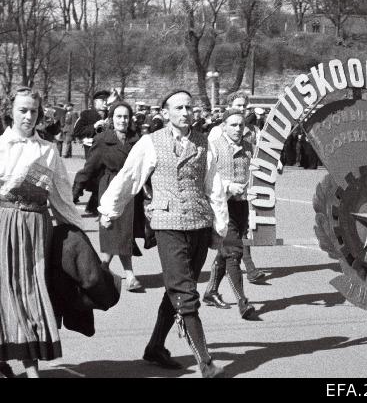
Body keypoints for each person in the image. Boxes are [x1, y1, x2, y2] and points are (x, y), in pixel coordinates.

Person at [98, 90, 229, 378]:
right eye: (179, 108)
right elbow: (129, 177)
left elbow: (214, 186)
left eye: (189, 107)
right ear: (166, 112)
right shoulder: (150, 142)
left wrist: (220, 228)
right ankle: (206, 364)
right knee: (185, 291)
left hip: (198, 225)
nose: (185, 112)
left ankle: (155, 347)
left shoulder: (203, 143)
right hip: (168, 224)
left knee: (177, 289)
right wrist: (109, 210)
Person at [0, 88, 85, 378]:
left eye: (33, 111)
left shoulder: (47, 151)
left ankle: (28, 364)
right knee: (6, 293)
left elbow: (62, 197)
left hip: (37, 228)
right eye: (23, 110)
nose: (28, 116)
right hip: (3, 224)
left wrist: (79, 233)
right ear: (10, 110)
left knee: (31, 292)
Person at [74, 101, 147, 293]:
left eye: (125, 116)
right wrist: (76, 190)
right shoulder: (103, 140)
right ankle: (128, 275)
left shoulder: (137, 140)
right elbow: (89, 168)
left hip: (130, 193)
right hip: (110, 190)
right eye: (118, 116)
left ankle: (102, 270)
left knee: (121, 234)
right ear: (111, 119)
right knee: (117, 233)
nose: (122, 120)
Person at [202, 109, 258, 320]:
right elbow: (207, 179)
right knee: (234, 251)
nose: (237, 129)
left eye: (240, 125)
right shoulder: (214, 147)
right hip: (220, 207)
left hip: (241, 207)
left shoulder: (249, 148)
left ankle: (210, 292)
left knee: (225, 252)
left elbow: (260, 172)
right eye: (233, 125)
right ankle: (243, 302)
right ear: (223, 126)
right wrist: (227, 187)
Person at [207, 91, 266, 283]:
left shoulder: (253, 131)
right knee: (233, 240)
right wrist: (226, 186)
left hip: (245, 193)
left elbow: (259, 153)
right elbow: (212, 163)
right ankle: (249, 268)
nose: (242, 109)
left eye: (245, 106)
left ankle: (213, 288)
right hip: (224, 195)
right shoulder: (218, 132)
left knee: (239, 235)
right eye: (239, 105)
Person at [73, 90, 111, 216]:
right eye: (102, 100)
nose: (105, 103)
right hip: (91, 148)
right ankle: (74, 196)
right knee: (89, 172)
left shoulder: (111, 115)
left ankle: (93, 206)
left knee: (103, 176)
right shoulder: (87, 114)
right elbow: (77, 131)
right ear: (95, 102)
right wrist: (94, 126)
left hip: (107, 148)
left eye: (107, 100)